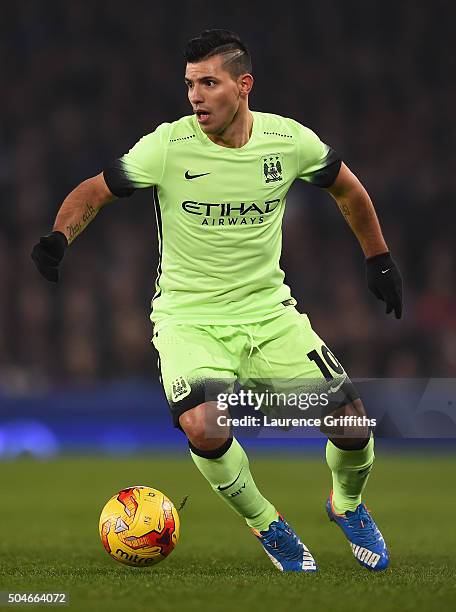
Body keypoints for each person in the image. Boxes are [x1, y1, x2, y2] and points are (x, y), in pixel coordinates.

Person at [31, 29, 402, 572]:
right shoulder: (168, 146)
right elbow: (94, 190)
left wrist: (379, 259)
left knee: (351, 424)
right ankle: (267, 523)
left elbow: (348, 188)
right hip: (189, 319)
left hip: (269, 314)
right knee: (204, 424)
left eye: (209, 82)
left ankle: (346, 505)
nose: (195, 97)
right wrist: (60, 237)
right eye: (189, 85)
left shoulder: (288, 141)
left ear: (243, 85)